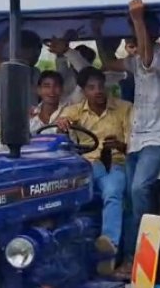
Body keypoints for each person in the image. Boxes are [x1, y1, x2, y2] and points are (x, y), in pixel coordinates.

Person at [94, 0, 160, 277]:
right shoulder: (133, 62)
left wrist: (138, 19)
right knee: (128, 199)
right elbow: (108, 62)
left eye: (138, 28)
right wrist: (98, 33)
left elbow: (147, 60)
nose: (134, 32)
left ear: (153, 31)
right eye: (132, 28)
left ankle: (146, 251)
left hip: (159, 136)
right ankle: (125, 256)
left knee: (139, 189)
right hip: (138, 137)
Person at [55, 67, 132, 275]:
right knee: (64, 193)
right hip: (87, 166)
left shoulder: (124, 108)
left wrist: (119, 145)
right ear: (83, 91)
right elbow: (58, 127)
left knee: (112, 193)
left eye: (100, 86)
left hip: (115, 163)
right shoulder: (74, 111)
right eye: (91, 87)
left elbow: (133, 145)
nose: (98, 91)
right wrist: (61, 124)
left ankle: (108, 249)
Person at [48, 34, 95, 105]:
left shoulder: (95, 78)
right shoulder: (64, 74)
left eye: (87, 60)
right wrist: (63, 49)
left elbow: (84, 70)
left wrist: (65, 49)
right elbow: (61, 61)